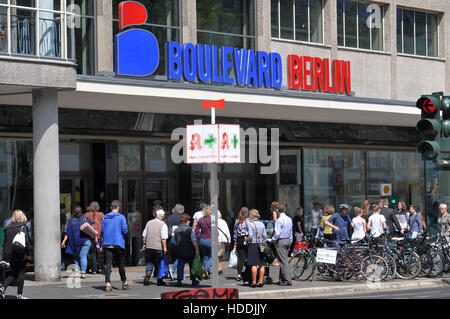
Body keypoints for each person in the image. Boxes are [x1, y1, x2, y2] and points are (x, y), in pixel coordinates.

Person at [0, 210, 33, 299]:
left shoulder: (7, 228)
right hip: (20, 253)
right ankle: (19, 295)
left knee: (14, 273)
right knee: (21, 273)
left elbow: (5, 243)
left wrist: (4, 258)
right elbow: (26, 241)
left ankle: (3, 288)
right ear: (22, 216)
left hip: (10, 255)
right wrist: (29, 253)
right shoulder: (22, 227)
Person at [100, 200, 131, 292]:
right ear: (118, 207)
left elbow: (102, 231)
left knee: (108, 264)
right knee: (121, 264)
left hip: (107, 243)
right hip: (118, 243)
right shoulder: (121, 217)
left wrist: (100, 244)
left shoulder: (105, 217)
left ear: (111, 207)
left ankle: (108, 284)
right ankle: (124, 282)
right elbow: (125, 230)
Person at [61, 206, 94, 279]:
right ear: (81, 212)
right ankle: (83, 273)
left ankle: (76, 272)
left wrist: (63, 242)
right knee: (83, 256)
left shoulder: (71, 221)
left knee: (75, 256)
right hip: (86, 241)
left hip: (75, 242)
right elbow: (91, 227)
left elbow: (68, 234)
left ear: (74, 212)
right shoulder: (85, 219)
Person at [142, 209, 168, 286]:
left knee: (149, 262)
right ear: (162, 216)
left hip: (149, 246)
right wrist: (165, 247)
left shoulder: (149, 223)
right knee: (160, 264)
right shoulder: (163, 224)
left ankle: (148, 273)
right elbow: (164, 238)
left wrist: (144, 244)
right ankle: (159, 280)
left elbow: (144, 235)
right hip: (158, 247)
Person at [173, 214, 200, 287]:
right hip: (190, 250)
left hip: (180, 250)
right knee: (192, 265)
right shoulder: (190, 230)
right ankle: (193, 280)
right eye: (189, 220)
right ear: (187, 221)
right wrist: (197, 250)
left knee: (180, 265)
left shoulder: (176, 230)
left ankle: (179, 281)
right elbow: (194, 240)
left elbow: (175, 240)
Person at [270, 204, 293, 286]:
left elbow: (277, 233)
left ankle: (287, 280)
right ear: (285, 210)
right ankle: (282, 279)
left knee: (283, 261)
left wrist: (272, 240)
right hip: (287, 240)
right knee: (283, 259)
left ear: (278, 211)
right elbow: (291, 232)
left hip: (281, 241)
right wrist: (290, 242)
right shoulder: (289, 219)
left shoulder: (279, 220)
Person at [247, 209, 267, 288]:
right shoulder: (262, 224)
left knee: (254, 264)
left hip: (253, 244)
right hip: (260, 245)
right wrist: (263, 242)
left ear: (251, 215)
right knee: (261, 264)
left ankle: (254, 282)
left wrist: (247, 239)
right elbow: (265, 236)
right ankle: (260, 281)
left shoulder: (250, 224)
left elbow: (251, 236)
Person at [84, 201, 105, 274]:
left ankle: (94, 269)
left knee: (92, 253)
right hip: (99, 236)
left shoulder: (87, 214)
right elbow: (104, 224)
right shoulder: (101, 214)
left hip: (90, 235)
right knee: (99, 252)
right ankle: (100, 267)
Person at [166, 203, 184, 280]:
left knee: (177, 256)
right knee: (181, 256)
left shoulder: (170, 218)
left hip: (172, 239)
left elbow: (166, 227)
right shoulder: (182, 218)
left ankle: (176, 273)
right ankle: (173, 270)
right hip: (180, 239)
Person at [195, 204, 212, 279]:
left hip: (202, 240)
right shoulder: (212, 219)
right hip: (210, 239)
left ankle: (207, 272)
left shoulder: (200, 220)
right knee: (214, 257)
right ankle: (206, 268)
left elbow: (196, 231)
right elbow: (215, 230)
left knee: (205, 256)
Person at [233, 207, 250, 281]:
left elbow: (235, 233)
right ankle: (248, 272)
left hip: (239, 240)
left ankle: (239, 274)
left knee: (241, 258)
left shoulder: (237, 221)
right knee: (249, 257)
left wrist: (235, 243)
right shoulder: (248, 221)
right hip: (247, 239)